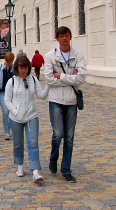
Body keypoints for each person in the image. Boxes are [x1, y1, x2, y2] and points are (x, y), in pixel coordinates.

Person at [44, 26, 86, 183]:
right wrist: (70, 78)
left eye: (66, 36)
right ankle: (53, 158)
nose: (64, 38)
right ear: (57, 38)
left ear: (70, 37)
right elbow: (49, 79)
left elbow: (81, 78)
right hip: (55, 100)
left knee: (69, 137)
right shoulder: (50, 56)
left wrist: (60, 76)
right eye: (61, 36)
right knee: (58, 134)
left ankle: (66, 169)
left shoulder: (78, 55)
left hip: (72, 101)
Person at [4, 56, 49, 182]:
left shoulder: (33, 80)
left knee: (33, 143)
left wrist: (49, 85)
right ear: (17, 68)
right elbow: (7, 100)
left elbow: (41, 95)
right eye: (21, 68)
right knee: (18, 143)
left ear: (28, 68)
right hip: (16, 117)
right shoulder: (11, 82)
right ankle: (19, 166)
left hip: (31, 116)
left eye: (25, 67)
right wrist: (15, 111)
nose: (23, 70)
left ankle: (35, 171)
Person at [0, 52, 15, 140]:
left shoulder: (14, 68)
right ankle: (7, 132)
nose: (10, 63)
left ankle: (13, 129)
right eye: (8, 61)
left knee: (12, 111)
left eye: (11, 61)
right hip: (2, 92)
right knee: (5, 111)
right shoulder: (0, 67)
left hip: (12, 92)